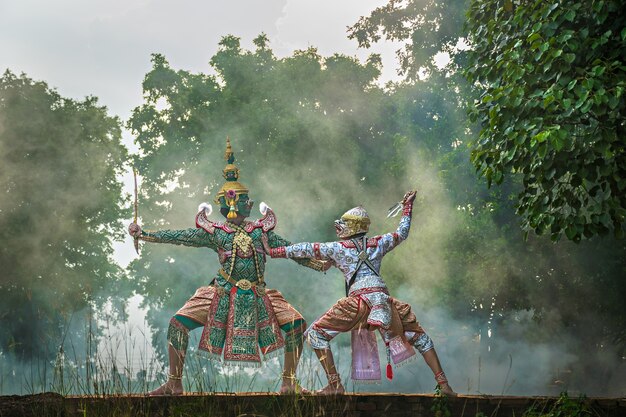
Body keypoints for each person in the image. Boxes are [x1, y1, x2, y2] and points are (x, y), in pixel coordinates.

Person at [129, 138, 325, 395]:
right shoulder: (215, 232)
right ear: (225, 204)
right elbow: (180, 236)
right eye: (237, 201)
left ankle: (288, 383)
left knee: (297, 325)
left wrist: (319, 263)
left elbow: (290, 250)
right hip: (221, 292)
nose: (241, 205)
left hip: (258, 294)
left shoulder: (260, 230)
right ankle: (174, 384)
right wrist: (144, 233)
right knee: (177, 323)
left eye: (244, 201)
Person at [265, 191, 456, 395]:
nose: (339, 225)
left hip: (356, 305)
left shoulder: (338, 248)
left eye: (344, 222)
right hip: (383, 302)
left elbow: (306, 249)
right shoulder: (378, 243)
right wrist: (408, 207)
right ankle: (444, 385)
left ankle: (335, 385)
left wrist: (273, 251)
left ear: (353, 226)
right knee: (420, 337)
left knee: (315, 334)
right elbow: (402, 232)